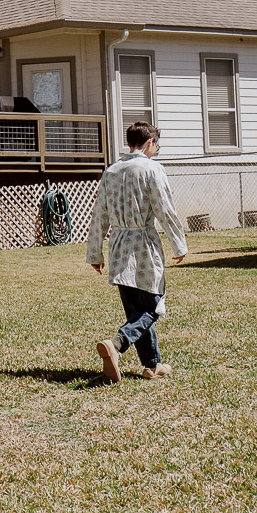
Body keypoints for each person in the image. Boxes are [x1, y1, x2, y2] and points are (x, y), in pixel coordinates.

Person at [87, 121, 188, 382]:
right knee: (153, 306)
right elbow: (165, 209)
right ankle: (117, 344)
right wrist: (179, 244)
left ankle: (152, 365)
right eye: (157, 145)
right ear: (149, 143)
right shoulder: (151, 169)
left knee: (136, 308)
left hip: (119, 245)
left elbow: (99, 215)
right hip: (143, 245)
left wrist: (95, 254)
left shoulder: (111, 171)